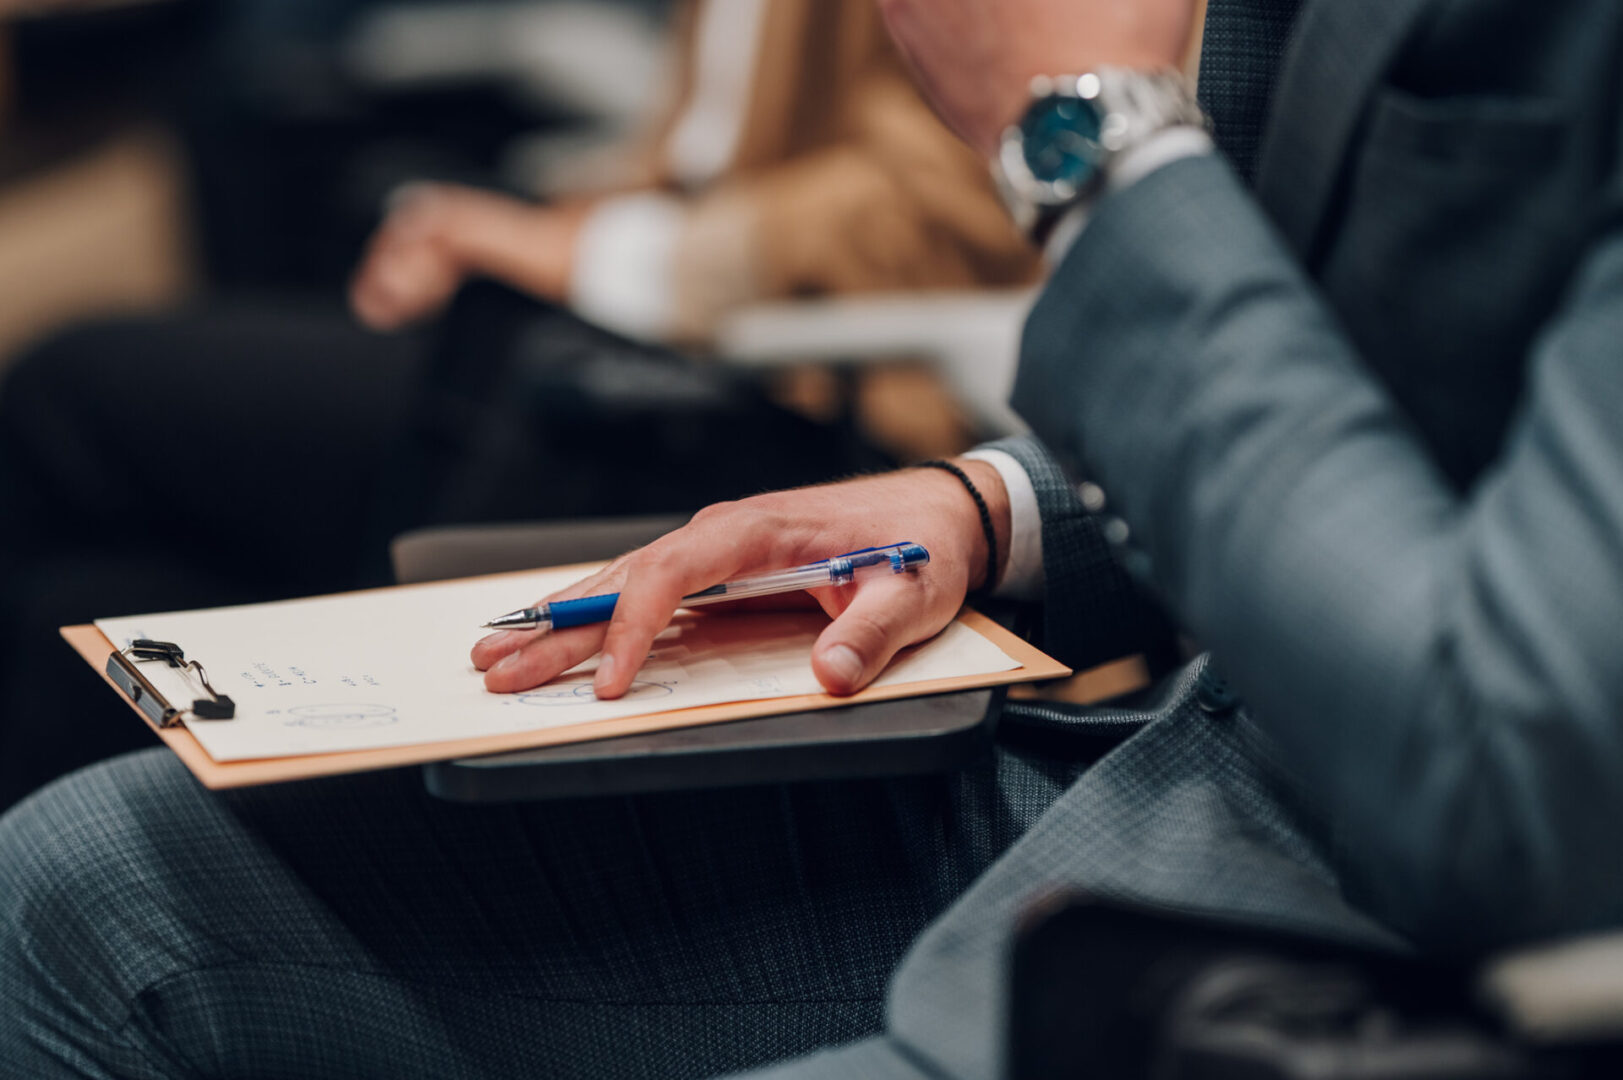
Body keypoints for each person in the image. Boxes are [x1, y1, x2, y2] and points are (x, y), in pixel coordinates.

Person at [4, 0, 1622, 1077]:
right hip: (1184, 767)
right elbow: (1397, 400)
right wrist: (996, 510)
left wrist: (1081, 140)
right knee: (73, 882)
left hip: (1403, 950)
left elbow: (1514, 792)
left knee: (86, 409)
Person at [0, 0, 1036, 811]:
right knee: (84, 607)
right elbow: (700, 154)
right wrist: (530, 228)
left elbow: (961, 195)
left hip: (798, 409)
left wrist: (592, 254)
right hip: (629, 337)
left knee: (67, 398)